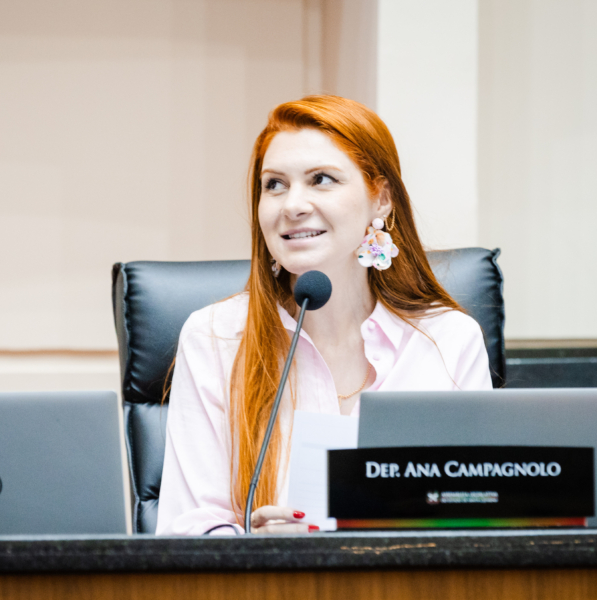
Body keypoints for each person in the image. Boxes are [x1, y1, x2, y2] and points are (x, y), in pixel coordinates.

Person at [156, 95, 492, 536]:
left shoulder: (449, 340)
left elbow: (476, 519)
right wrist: (260, 549)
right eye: (274, 185)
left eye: (321, 179)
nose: (292, 205)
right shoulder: (216, 337)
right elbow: (187, 528)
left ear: (381, 199)